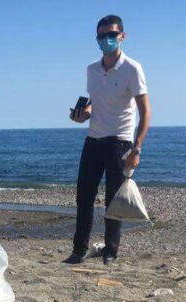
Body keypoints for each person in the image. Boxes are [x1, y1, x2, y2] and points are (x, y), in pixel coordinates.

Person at [65, 14, 151, 265]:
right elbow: (94, 106)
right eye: (102, 36)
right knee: (84, 197)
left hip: (120, 142)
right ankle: (79, 249)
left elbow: (145, 111)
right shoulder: (91, 69)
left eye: (112, 35)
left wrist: (137, 147)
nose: (107, 39)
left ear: (122, 36)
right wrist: (80, 116)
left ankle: (111, 251)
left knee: (115, 199)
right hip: (93, 140)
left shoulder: (133, 69)